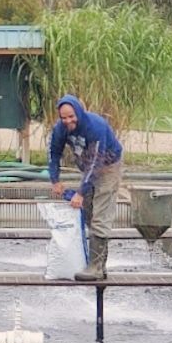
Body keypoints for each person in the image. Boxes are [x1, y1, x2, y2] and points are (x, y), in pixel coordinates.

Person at [48, 94, 124, 281]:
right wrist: (55, 180)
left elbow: (96, 163)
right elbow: (54, 154)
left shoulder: (95, 126)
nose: (68, 121)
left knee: (100, 216)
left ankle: (95, 267)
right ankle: (98, 263)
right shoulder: (60, 129)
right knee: (88, 214)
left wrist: (80, 192)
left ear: (79, 113)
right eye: (64, 118)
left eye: (71, 116)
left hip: (108, 166)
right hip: (88, 168)